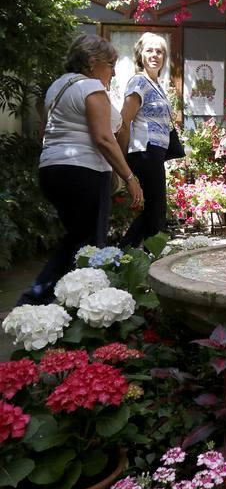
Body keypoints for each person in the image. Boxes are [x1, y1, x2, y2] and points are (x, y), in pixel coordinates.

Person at [18, 35, 143, 305]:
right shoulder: (90, 87)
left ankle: (52, 302)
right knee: (88, 246)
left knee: (75, 238)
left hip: (52, 169)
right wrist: (129, 178)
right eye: (110, 64)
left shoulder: (57, 87)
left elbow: (44, 131)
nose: (112, 71)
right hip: (83, 171)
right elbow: (103, 138)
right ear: (91, 62)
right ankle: (50, 302)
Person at [117, 32, 175, 248]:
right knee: (156, 209)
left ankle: (134, 256)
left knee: (155, 208)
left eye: (159, 51)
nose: (155, 55)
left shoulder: (156, 84)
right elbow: (124, 121)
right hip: (145, 150)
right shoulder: (139, 81)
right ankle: (125, 255)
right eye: (149, 50)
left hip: (155, 152)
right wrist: (121, 161)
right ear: (140, 54)